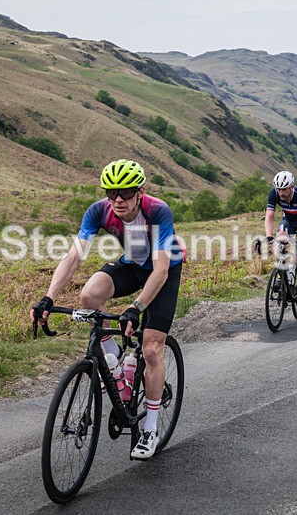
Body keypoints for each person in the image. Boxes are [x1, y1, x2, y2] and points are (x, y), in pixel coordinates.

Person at [30, 159, 184, 460]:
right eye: (111, 193)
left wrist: (136, 307)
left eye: (125, 193)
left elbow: (161, 269)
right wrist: (48, 297)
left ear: (140, 192)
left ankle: (150, 429)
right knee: (89, 296)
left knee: (151, 348)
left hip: (163, 271)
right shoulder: (98, 210)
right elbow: (74, 257)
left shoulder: (158, 211)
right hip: (132, 264)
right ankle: (116, 362)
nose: (117, 199)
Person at [265, 171, 297, 308]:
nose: (280, 193)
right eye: (278, 189)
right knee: (278, 241)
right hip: (289, 221)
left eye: (284, 189)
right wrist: (268, 235)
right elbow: (269, 216)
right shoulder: (274, 193)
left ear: (292, 187)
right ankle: (280, 276)